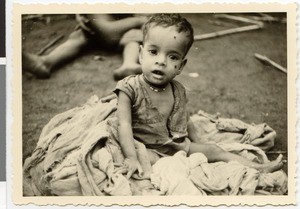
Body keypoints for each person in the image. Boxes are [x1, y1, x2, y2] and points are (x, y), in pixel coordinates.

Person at [113, 13, 284, 179]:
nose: (161, 61)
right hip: (145, 148)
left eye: (172, 56)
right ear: (141, 55)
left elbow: (185, 119)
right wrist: (131, 157)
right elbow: (124, 125)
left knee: (215, 150)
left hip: (175, 147)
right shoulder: (130, 88)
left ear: (181, 66)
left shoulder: (178, 90)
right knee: (158, 169)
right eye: (153, 52)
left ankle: (258, 167)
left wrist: (200, 143)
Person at [22, 14, 148, 79]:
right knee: (79, 36)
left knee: (134, 36)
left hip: (124, 29)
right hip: (100, 30)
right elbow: (107, 32)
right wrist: (79, 15)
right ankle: (45, 62)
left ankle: (129, 64)